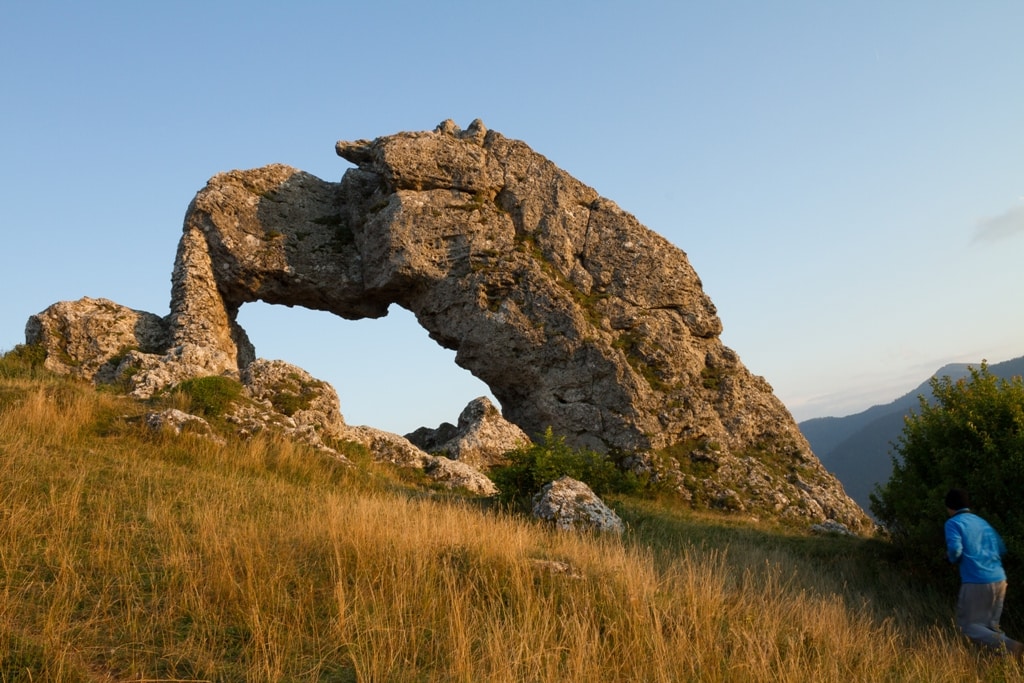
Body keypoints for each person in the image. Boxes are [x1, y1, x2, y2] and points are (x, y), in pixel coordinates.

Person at [944, 488, 1024, 656]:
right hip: (999, 579)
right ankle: (1005, 664)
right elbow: (1001, 548)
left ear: (950, 507)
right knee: (990, 628)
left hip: (976, 581)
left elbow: (955, 550)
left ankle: (1013, 647)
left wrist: (951, 559)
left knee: (969, 627)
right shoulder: (982, 522)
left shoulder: (953, 523)